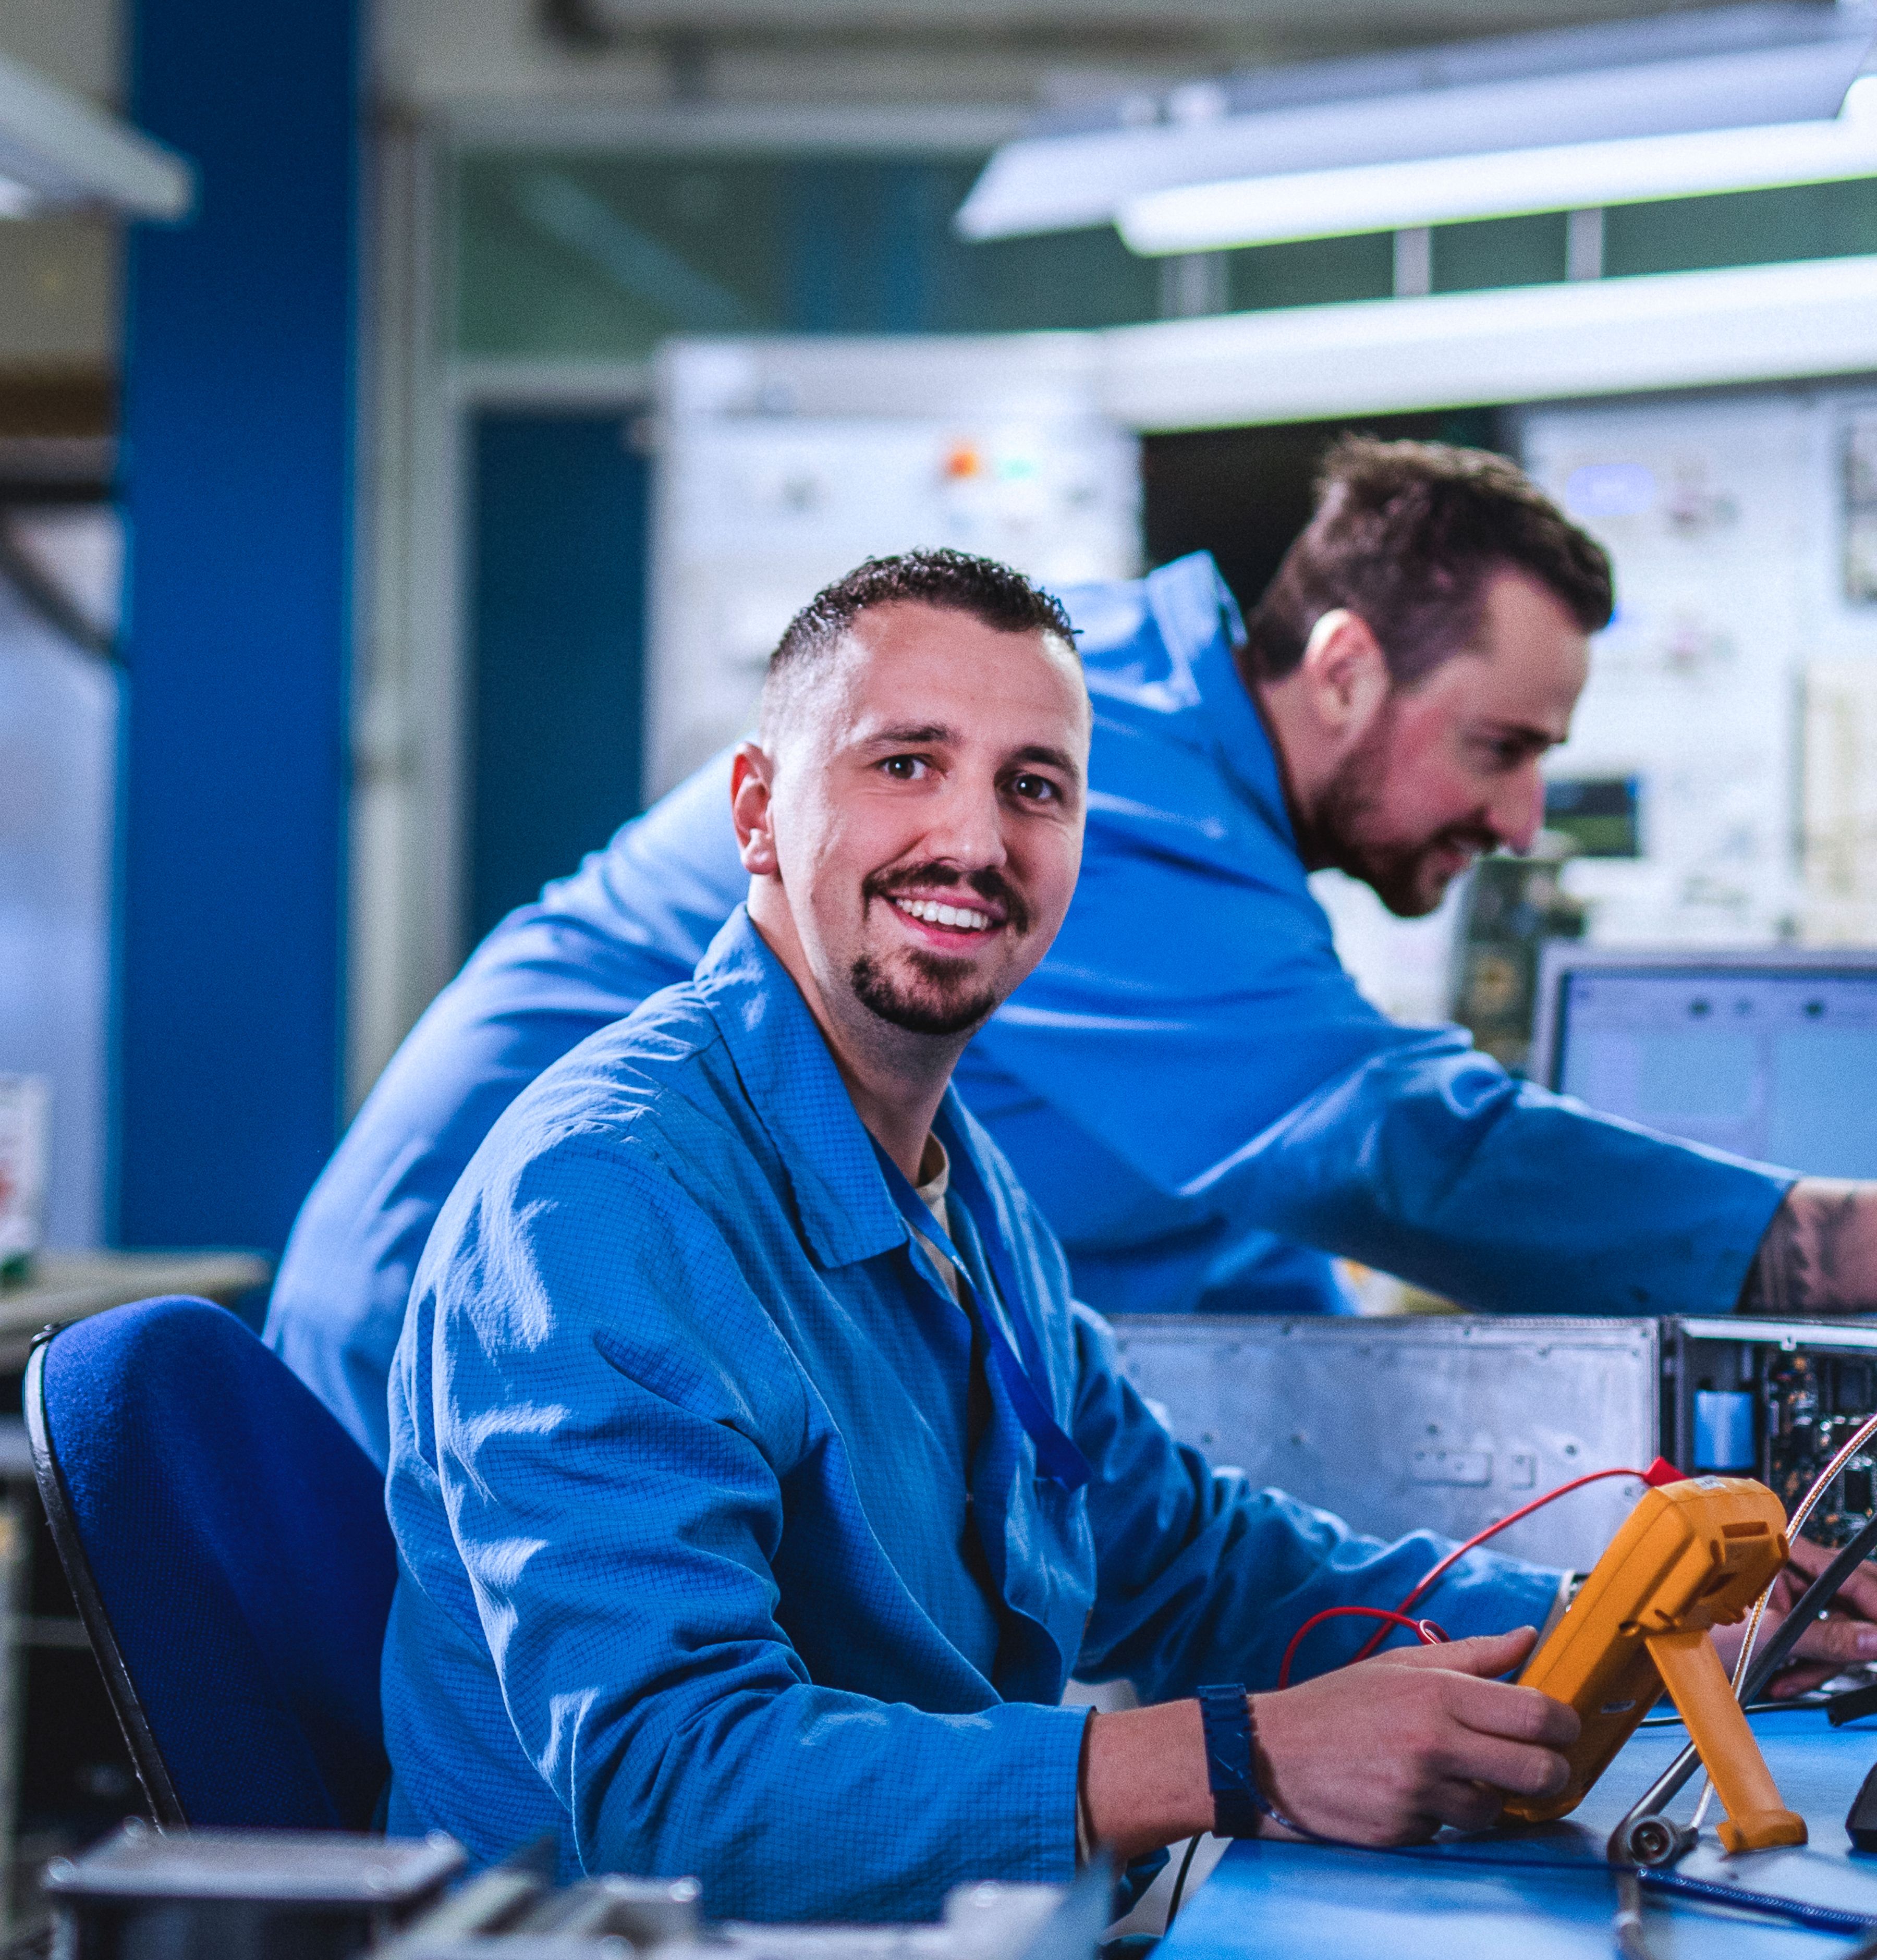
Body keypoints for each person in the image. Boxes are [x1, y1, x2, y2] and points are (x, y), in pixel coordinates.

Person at [271, 437, 1877, 1472]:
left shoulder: (1196, 823)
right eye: (1501, 745)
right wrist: (1809, 1243)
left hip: (653, 1317)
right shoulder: (1106, 758)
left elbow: (1232, 1233)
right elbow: (1372, 1139)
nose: (1526, 818)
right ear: (1344, 668)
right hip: (492, 1306)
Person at [382, 553, 1580, 1918]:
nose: (975, 840)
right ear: (760, 814)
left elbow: (1191, 1562)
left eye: (1034, 786)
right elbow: (676, 1785)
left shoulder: (968, 1190)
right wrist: (1237, 1754)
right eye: (906, 763)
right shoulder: (603, 1201)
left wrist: (1633, 1623)